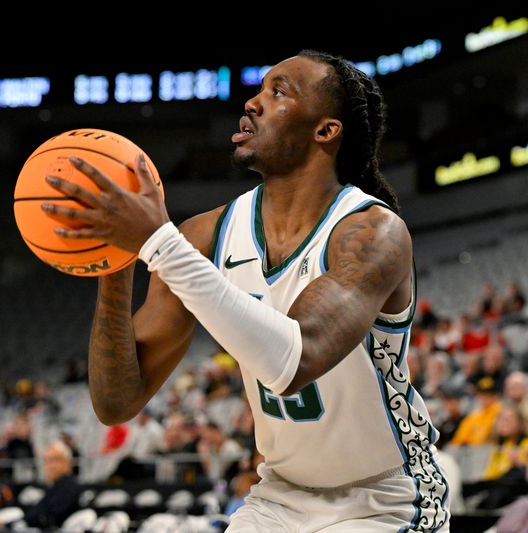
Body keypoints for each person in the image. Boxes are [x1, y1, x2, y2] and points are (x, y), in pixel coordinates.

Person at [43, 49, 449, 531]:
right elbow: (116, 402)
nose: (253, 103)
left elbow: (296, 361)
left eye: (279, 92)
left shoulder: (371, 233)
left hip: (383, 498)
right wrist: (115, 264)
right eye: (258, 90)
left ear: (326, 130)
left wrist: (157, 242)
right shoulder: (205, 236)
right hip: (278, 496)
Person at [0, 441, 82, 530]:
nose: (50, 466)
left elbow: (47, 518)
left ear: (68, 462)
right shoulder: (53, 486)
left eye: (55, 460)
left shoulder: (68, 487)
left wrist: (6, 524)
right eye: (47, 461)